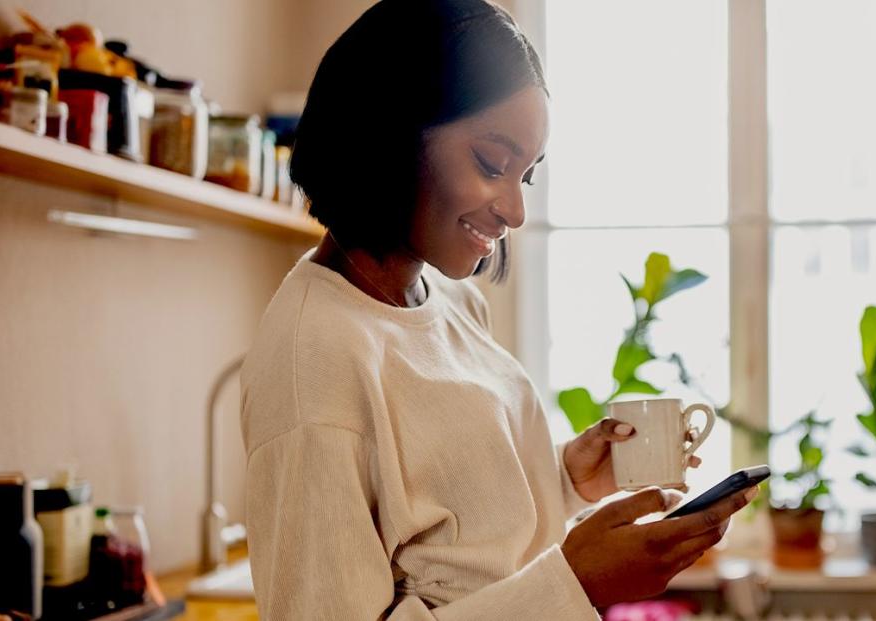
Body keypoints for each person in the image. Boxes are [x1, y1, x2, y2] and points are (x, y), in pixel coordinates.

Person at [239, 1, 757, 618]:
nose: (514, 211)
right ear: (391, 130)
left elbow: (466, 546)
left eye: (527, 176)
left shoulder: (453, 301)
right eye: (492, 164)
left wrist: (569, 480)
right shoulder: (314, 359)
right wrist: (576, 585)